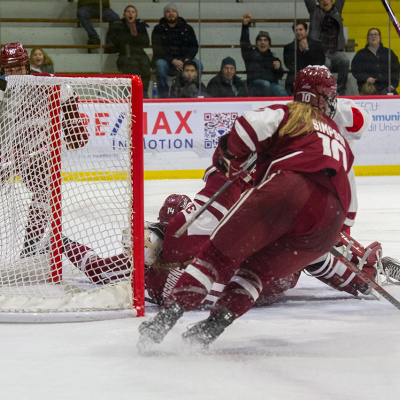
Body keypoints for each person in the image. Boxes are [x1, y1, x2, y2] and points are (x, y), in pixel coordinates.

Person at [137, 65, 372, 350]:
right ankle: (211, 328)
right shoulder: (340, 141)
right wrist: (332, 234)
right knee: (256, 273)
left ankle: (164, 322)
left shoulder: (286, 115)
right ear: (328, 99)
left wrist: (234, 161)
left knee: (216, 258)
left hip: (287, 191)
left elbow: (246, 127)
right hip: (328, 222)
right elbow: (349, 212)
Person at [0, 42, 89, 256]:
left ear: (27, 67)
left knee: (45, 191)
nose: (13, 74)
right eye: (8, 70)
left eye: (17, 69)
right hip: (6, 149)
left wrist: (74, 128)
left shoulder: (47, 83)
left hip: (37, 151)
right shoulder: (1, 89)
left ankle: (30, 247)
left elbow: (69, 102)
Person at [151, 3, 201, 98]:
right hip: (166, 60)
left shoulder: (187, 28)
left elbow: (194, 46)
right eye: (168, 11)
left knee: (199, 65)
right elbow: (157, 49)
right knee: (160, 65)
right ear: (164, 14)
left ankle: (193, 91)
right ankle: (164, 95)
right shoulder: (158, 29)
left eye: (173, 11)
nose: (171, 13)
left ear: (177, 13)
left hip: (185, 59)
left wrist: (187, 59)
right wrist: (172, 61)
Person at [304, 0, 349, 95]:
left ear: (332, 1)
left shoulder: (337, 9)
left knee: (344, 60)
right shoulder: (314, 10)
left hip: (335, 52)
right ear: (318, 2)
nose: (325, 1)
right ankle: (325, 92)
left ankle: (340, 91)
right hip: (321, 53)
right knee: (326, 65)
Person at [240, 13, 287, 97]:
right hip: (254, 86)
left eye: (265, 40)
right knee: (265, 84)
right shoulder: (250, 55)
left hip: (271, 86)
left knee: (281, 90)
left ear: (269, 44)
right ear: (256, 43)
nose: (262, 42)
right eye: (260, 40)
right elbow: (244, 42)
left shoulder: (274, 59)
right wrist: (245, 26)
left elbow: (280, 75)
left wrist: (278, 68)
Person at [110, 5, 151, 97]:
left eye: (133, 12)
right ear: (124, 14)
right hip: (126, 54)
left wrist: (132, 38)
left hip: (140, 54)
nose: (130, 13)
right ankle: (131, 94)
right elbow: (117, 42)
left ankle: (144, 93)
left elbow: (146, 42)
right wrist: (133, 37)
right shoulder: (119, 25)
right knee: (133, 67)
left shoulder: (140, 25)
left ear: (136, 15)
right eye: (128, 12)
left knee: (146, 67)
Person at [351, 28, 400, 95]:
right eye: (371, 35)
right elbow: (355, 70)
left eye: (376, 34)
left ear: (380, 38)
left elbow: (396, 70)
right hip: (368, 89)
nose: (373, 36)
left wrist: (393, 85)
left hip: (387, 88)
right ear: (367, 38)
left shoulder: (389, 53)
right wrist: (366, 78)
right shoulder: (360, 54)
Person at [283, 21, 325, 95]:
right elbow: (289, 64)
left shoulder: (317, 45)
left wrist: (308, 51)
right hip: (296, 74)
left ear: (306, 31)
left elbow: (321, 61)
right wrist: (300, 51)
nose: (298, 32)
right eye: (296, 30)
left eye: (300, 29)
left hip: (314, 74)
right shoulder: (288, 47)